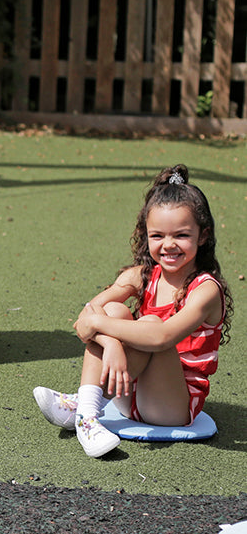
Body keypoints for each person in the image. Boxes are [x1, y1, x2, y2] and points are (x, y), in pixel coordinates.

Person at [33, 164, 232, 458]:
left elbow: (160, 337)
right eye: (158, 236)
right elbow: (87, 318)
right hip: (125, 390)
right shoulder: (140, 275)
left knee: (147, 323)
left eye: (181, 235)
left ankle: (84, 405)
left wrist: (103, 330)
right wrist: (111, 344)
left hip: (172, 407)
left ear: (203, 236)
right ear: (145, 235)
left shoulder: (206, 290)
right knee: (113, 309)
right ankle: (86, 415)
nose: (168, 245)